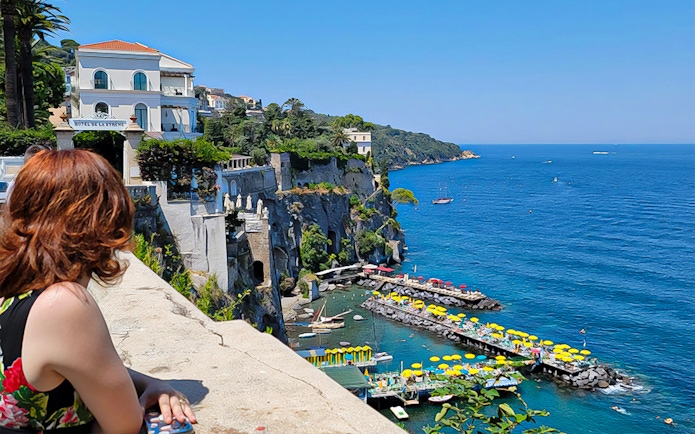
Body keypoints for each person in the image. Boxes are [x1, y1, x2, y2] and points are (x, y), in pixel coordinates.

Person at [0, 149, 197, 433]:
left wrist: (148, 382)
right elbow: (124, 425)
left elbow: (73, 367)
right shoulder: (63, 304)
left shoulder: (15, 290)